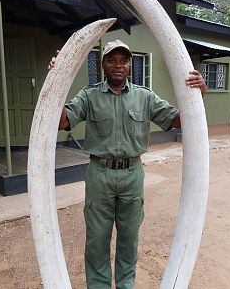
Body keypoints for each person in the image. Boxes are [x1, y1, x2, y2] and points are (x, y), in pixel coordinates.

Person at [49, 40, 207, 289]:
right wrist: (56, 79)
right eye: (112, 60)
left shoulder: (144, 97)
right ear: (103, 65)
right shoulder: (89, 96)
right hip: (99, 174)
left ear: (131, 65)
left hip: (133, 174)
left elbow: (177, 121)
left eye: (124, 60)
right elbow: (61, 122)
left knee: (129, 240)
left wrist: (197, 93)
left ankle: (125, 285)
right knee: (97, 240)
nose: (118, 65)